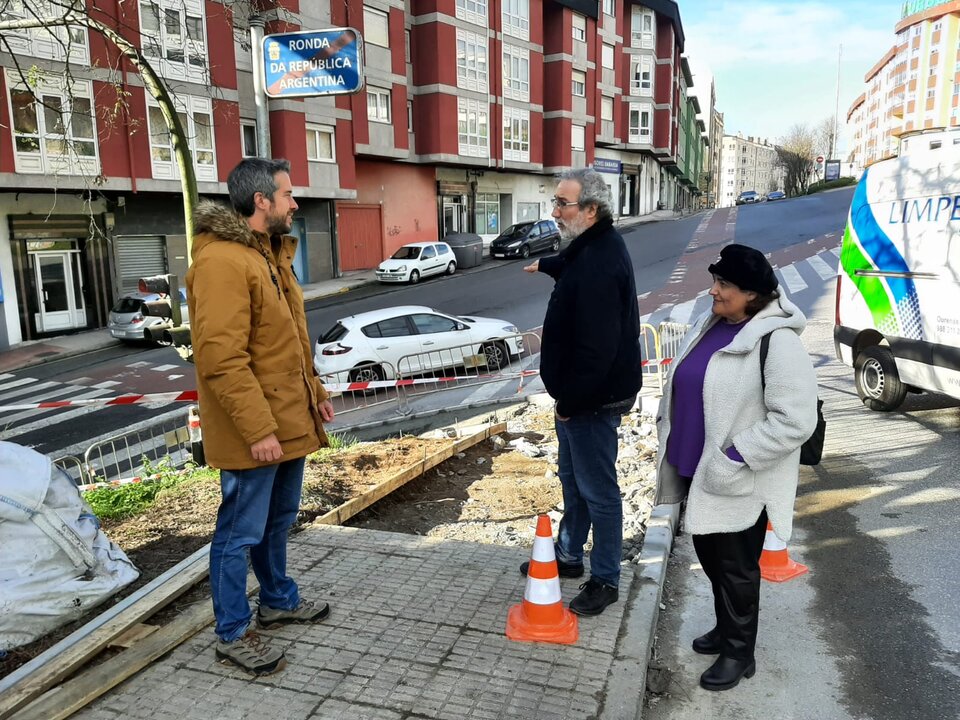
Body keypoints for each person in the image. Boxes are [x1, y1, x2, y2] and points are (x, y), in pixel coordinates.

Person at [186, 158, 335, 676]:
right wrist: (258, 430)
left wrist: (314, 391)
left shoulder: (269, 255)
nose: (296, 204)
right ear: (261, 202)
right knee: (238, 532)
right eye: (289, 194)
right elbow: (221, 359)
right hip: (258, 430)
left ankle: (277, 599)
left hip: (289, 418)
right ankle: (231, 631)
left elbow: (289, 339)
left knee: (278, 520)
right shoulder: (223, 262)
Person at [654, 243, 818, 691]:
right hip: (695, 466)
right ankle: (727, 630)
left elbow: (796, 420)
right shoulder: (717, 325)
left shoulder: (776, 340)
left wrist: (735, 456)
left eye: (723, 284)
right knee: (711, 558)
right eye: (714, 281)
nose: (712, 291)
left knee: (735, 568)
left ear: (752, 294)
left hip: (736, 476)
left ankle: (739, 652)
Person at [521, 168, 642, 616]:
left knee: (600, 491)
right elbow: (571, 264)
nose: (554, 212)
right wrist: (548, 264)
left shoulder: (599, 261)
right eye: (555, 202)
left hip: (590, 400)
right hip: (578, 397)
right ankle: (569, 555)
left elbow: (598, 350)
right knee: (573, 480)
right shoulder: (590, 246)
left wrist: (570, 403)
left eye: (562, 204)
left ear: (590, 210)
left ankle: (606, 579)